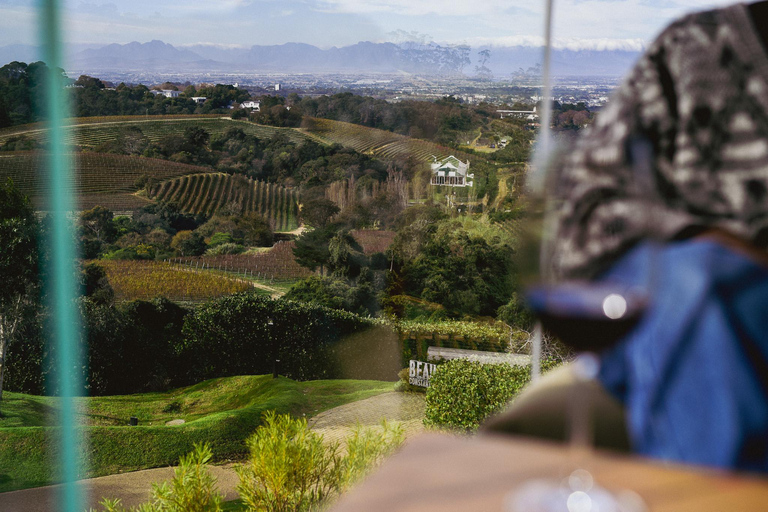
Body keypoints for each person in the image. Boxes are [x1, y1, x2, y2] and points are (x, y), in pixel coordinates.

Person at [485, 2, 768, 472]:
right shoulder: (695, 52)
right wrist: (712, 245)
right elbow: (582, 225)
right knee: (694, 281)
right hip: (675, 321)